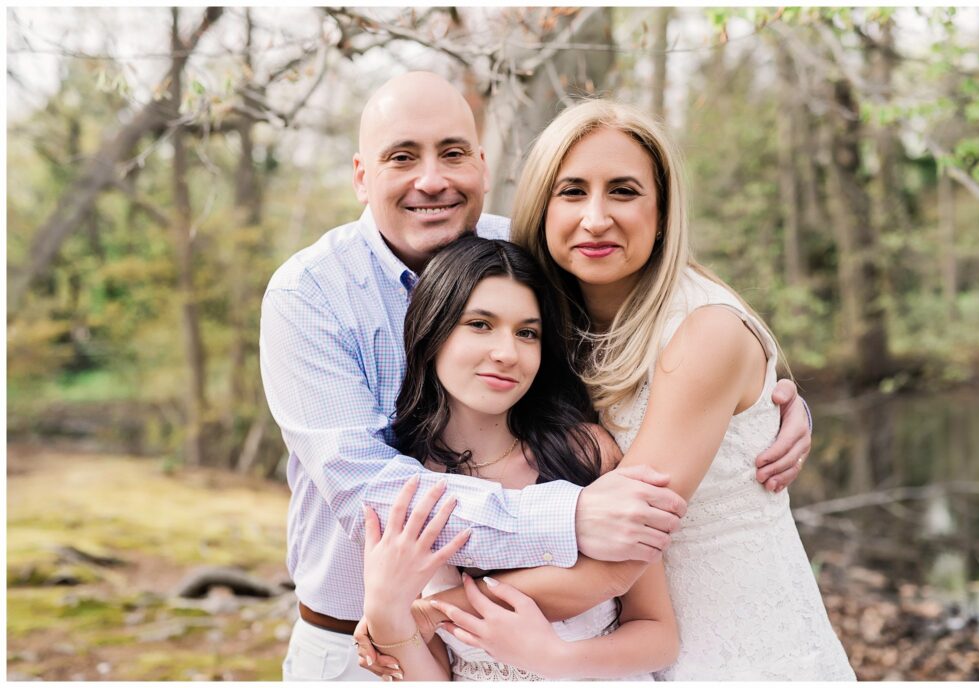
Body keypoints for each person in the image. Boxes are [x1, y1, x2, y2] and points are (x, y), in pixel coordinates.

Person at [260, 71, 812, 681]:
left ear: (483, 165)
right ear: (362, 176)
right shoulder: (310, 294)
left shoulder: (528, 258)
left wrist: (765, 405)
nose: (432, 179)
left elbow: (665, 347)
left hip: (572, 629)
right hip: (356, 639)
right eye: (402, 157)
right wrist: (568, 518)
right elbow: (371, 492)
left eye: (452, 153)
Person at [486, 99, 853, 680]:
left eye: (624, 191)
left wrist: (424, 609)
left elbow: (620, 555)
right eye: (572, 190)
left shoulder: (702, 330)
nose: (597, 217)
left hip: (744, 651)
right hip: (632, 650)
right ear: (539, 206)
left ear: (662, 212)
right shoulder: (536, 323)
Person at [361, 235, 680, 681]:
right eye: (480, 324)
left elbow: (658, 635)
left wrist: (551, 657)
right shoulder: (405, 484)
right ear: (432, 328)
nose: (507, 354)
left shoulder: (583, 452)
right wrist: (385, 612)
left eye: (527, 333)